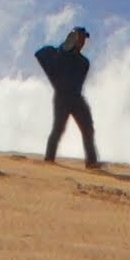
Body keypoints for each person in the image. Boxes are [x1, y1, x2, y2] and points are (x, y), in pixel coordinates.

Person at [37, 26, 102, 169]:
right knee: (58, 129)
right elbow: (43, 54)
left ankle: (91, 162)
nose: (83, 42)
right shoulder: (59, 55)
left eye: (84, 39)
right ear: (73, 38)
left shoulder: (83, 62)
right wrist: (66, 46)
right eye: (80, 38)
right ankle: (49, 159)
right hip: (62, 98)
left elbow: (76, 78)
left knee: (87, 128)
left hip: (75, 98)